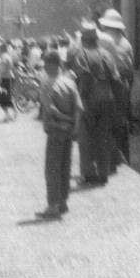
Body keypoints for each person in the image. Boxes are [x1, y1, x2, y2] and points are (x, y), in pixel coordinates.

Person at [36, 50, 84, 219]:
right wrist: (75, 126)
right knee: (65, 166)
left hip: (56, 130)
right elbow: (79, 108)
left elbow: (51, 110)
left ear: (49, 65)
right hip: (69, 131)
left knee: (52, 169)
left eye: (45, 64)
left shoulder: (46, 85)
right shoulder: (70, 82)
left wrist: (65, 118)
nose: (44, 67)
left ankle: (52, 206)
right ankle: (63, 202)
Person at [73, 22, 120, 185]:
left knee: (86, 138)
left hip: (90, 99)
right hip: (108, 99)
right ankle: (103, 173)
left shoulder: (82, 55)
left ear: (83, 39)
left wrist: (82, 101)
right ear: (96, 38)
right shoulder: (107, 55)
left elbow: (85, 78)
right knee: (103, 137)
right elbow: (116, 79)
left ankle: (89, 174)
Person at [98, 8, 134, 169]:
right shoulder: (126, 43)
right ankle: (124, 156)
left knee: (106, 121)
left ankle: (110, 157)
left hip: (107, 85)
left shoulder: (102, 40)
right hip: (123, 85)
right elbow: (130, 70)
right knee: (122, 120)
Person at [0, 43, 17, 122]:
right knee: (6, 97)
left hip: (4, 78)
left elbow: (5, 66)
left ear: (2, 49)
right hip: (8, 78)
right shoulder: (7, 56)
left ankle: (9, 115)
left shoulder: (4, 56)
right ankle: (10, 114)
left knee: (2, 98)